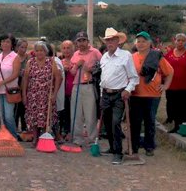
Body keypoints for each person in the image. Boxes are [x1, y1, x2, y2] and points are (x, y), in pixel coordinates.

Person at [100, 27, 139, 165]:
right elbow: (103, 77)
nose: (110, 43)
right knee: (108, 123)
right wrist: (101, 93)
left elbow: (134, 77)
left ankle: (118, 152)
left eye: (112, 40)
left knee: (116, 122)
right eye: (107, 40)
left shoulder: (126, 55)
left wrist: (128, 90)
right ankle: (112, 147)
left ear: (118, 41)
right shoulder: (104, 57)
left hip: (119, 95)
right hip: (105, 93)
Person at [131, 31, 173, 157]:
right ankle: (134, 146)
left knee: (149, 121)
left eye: (144, 41)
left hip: (153, 95)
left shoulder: (156, 56)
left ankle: (149, 146)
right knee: (135, 122)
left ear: (149, 43)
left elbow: (170, 72)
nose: (141, 44)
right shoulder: (132, 57)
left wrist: (165, 86)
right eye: (138, 41)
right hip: (135, 94)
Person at [22, 41, 62, 146]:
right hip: (33, 95)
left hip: (46, 95)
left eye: (42, 50)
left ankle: (44, 138)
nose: (39, 53)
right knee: (33, 118)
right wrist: (24, 95)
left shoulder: (51, 62)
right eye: (37, 50)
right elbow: (25, 79)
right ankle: (35, 139)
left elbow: (58, 78)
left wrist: (54, 93)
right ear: (34, 52)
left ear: (45, 51)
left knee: (45, 117)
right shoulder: (30, 62)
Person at [69, 31, 102, 147]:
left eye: (84, 40)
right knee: (76, 113)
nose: (81, 43)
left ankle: (92, 139)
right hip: (76, 86)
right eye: (79, 41)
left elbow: (102, 66)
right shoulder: (75, 54)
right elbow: (72, 72)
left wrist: (89, 69)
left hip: (89, 84)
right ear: (76, 43)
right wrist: (77, 65)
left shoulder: (95, 52)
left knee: (90, 113)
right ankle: (77, 138)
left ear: (88, 41)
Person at [164, 33, 186, 132]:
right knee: (174, 107)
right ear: (174, 41)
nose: (180, 42)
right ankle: (177, 126)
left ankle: (185, 129)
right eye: (178, 40)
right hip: (172, 86)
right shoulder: (169, 54)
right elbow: (164, 68)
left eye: (183, 41)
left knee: (185, 108)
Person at [0, 34, 21, 139]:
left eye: (8, 41)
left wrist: (2, 82)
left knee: (9, 116)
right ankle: (4, 136)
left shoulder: (15, 56)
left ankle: (13, 136)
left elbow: (15, 74)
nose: (5, 43)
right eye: (3, 41)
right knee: (1, 116)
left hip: (9, 90)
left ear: (12, 44)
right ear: (0, 43)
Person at [59, 40, 75, 139]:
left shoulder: (76, 60)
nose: (66, 50)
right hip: (62, 92)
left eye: (68, 47)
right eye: (64, 48)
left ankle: (71, 131)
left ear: (73, 48)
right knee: (62, 113)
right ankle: (62, 131)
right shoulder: (60, 62)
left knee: (72, 113)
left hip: (73, 91)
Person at [14, 39, 29, 132]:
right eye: (22, 47)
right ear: (17, 47)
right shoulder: (14, 57)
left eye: (25, 47)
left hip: (26, 83)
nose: (23, 49)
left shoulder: (29, 58)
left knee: (24, 106)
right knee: (15, 106)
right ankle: (14, 126)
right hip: (15, 83)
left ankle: (24, 126)